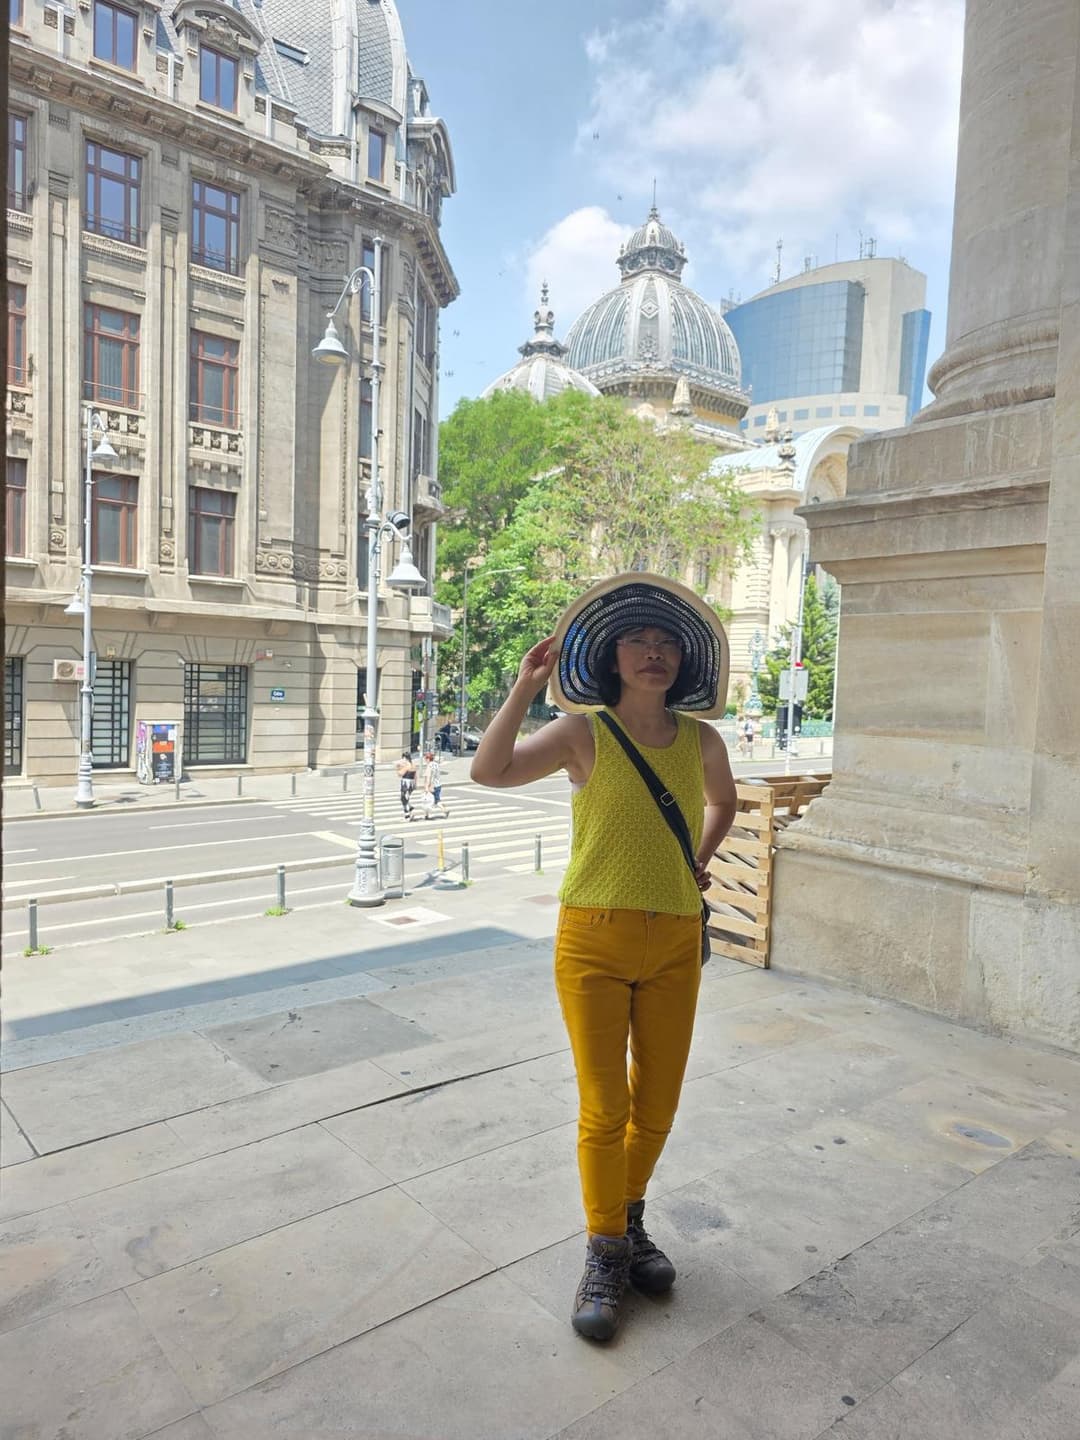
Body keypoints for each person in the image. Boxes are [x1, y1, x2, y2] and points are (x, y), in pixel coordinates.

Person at [471, 574, 737, 1342]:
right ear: (612, 656)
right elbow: (488, 771)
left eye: (667, 645)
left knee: (656, 1103)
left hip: (675, 938)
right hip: (593, 936)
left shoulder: (702, 741)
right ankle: (607, 1249)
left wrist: (697, 855)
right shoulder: (582, 732)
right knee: (604, 1105)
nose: (653, 654)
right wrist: (525, 687)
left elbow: (722, 801)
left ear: (682, 664)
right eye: (638, 642)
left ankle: (627, 1219)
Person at [395, 750, 417, 817]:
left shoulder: (407, 766)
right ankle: (410, 809)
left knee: (403, 798)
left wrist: (397, 768)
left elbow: (400, 774)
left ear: (405, 758)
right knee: (405, 798)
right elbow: (415, 776)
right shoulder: (413, 765)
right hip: (412, 783)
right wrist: (415, 784)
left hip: (406, 783)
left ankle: (408, 813)